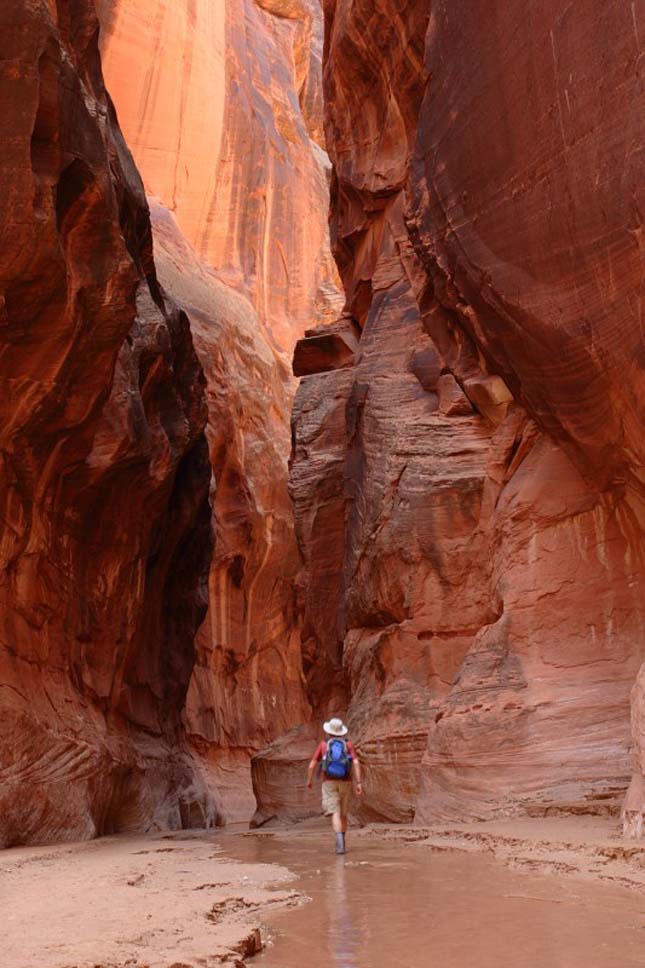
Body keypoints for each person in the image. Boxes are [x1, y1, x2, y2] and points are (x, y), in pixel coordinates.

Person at [306, 717, 362, 854]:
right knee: (343, 813)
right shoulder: (348, 744)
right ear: (342, 732)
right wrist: (359, 782)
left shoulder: (324, 745)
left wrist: (309, 780)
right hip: (346, 782)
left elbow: (312, 764)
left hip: (328, 782)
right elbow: (355, 762)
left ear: (329, 731)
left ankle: (339, 846)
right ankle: (343, 841)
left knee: (335, 813)